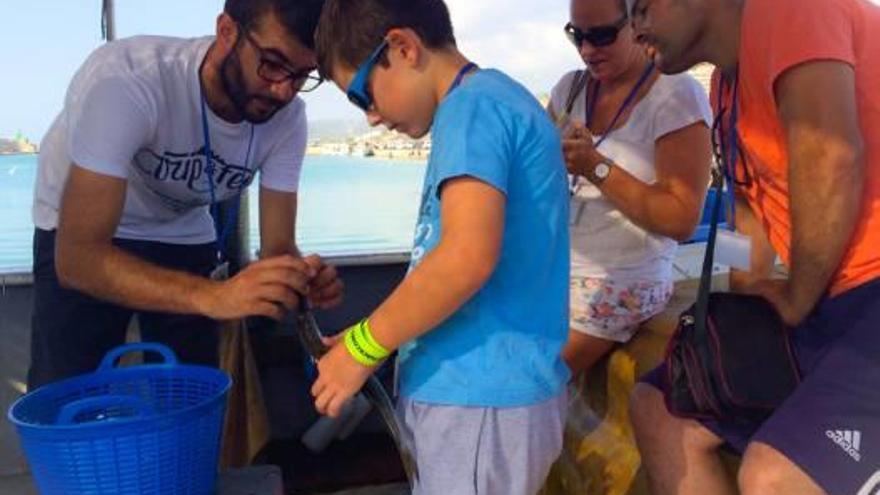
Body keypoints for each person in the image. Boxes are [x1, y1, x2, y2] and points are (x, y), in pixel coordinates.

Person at [310, 0, 571, 492]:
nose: (370, 117)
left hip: (479, 400)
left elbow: (464, 258)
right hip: (476, 400)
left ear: (403, 47)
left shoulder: (472, 109)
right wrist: (368, 334)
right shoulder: (489, 102)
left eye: (363, 95)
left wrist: (366, 346)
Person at [627, 0, 880, 494]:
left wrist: (796, 298)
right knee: (659, 408)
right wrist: (740, 294)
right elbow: (748, 207)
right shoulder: (727, 84)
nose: (635, 28)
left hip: (864, 292)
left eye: (640, 7)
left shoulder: (792, 9)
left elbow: (830, 156)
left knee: (772, 475)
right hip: (831, 304)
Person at [28, 0, 344, 390]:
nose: (283, 90)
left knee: (190, 394)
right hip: (84, 230)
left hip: (182, 228)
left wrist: (300, 277)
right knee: (65, 395)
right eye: (272, 64)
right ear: (227, 31)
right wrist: (213, 297)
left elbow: (278, 246)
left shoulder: (289, 119)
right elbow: (77, 260)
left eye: (301, 75)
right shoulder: (128, 81)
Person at [548, 0, 712, 378]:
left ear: (638, 24)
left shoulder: (676, 95)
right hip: (557, 270)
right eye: (578, 36)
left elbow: (682, 218)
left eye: (602, 35)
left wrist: (595, 166)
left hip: (623, 280)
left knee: (531, 377)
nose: (588, 50)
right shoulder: (569, 90)